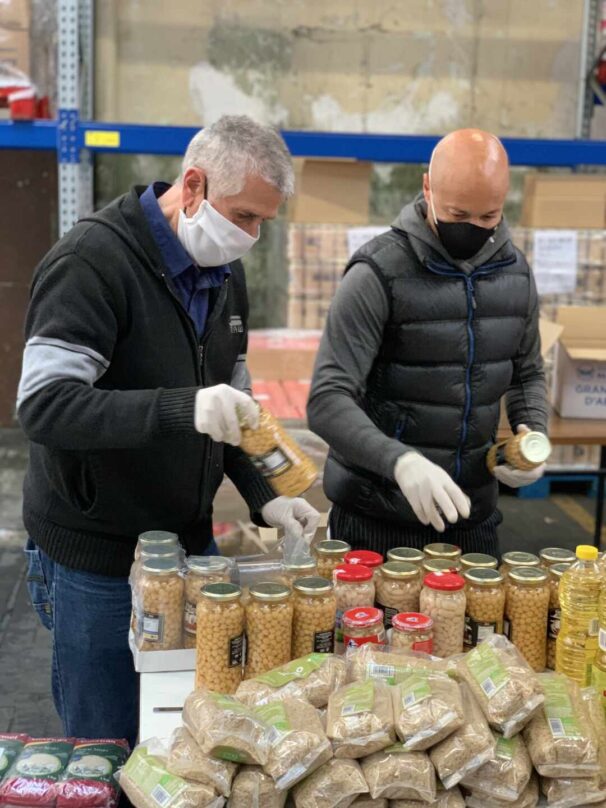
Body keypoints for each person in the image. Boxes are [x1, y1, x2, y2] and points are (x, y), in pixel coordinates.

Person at [17, 115, 319, 748]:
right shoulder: (91, 263)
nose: (252, 236)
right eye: (244, 216)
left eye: (264, 221)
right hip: (97, 557)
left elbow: (234, 407)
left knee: (184, 740)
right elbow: (45, 407)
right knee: (105, 742)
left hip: (188, 546)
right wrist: (181, 408)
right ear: (193, 185)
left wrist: (269, 498)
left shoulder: (223, 274)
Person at [307, 128, 547, 558]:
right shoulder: (377, 273)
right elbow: (327, 400)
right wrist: (398, 462)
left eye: (488, 217)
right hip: (377, 522)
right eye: (458, 214)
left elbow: (527, 371)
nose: (473, 228)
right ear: (427, 188)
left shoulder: (516, 274)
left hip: (472, 521)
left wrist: (534, 434)